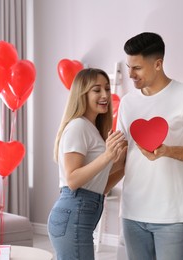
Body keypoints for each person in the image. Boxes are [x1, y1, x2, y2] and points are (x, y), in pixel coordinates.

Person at [117, 32, 183, 260]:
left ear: (158, 64)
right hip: (131, 212)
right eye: (129, 66)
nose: (130, 74)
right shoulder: (128, 103)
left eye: (137, 68)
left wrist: (167, 151)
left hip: (170, 215)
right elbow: (122, 154)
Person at [48, 68, 127, 260]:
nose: (105, 95)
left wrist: (124, 165)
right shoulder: (78, 126)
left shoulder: (92, 130)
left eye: (107, 89)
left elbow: (100, 186)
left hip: (82, 212)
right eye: (97, 89)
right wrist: (108, 155)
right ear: (82, 94)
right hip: (73, 212)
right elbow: (73, 179)